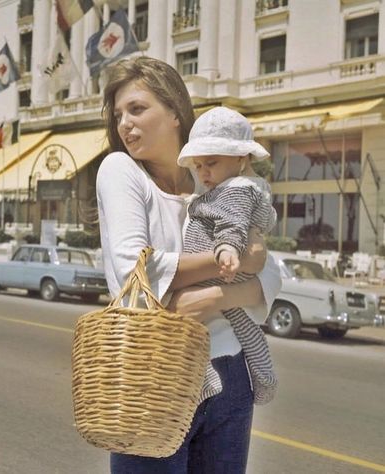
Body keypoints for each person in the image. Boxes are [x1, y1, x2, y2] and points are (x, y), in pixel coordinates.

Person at [96, 56, 281, 474]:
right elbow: (135, 270)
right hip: (155, 376)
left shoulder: (212, 175)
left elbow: (270, 269)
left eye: (138, 109)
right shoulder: (120, 170)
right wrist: (233, 261)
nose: (125, 123)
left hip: (229, 373)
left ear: (176, 112)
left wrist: (215, 294)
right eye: (119, 114)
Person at [178, 106, 278, 405]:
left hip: (219, 266)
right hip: (226, 270)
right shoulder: (245, 186)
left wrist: (226, 249)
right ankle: (264, 375)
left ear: (241, 157)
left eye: (211, 162)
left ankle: (206, 376)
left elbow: (231, 223)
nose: (203, 172)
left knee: (186, 321)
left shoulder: (235, 189)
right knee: (243, 325)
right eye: (198, 166)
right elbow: (261, 219)